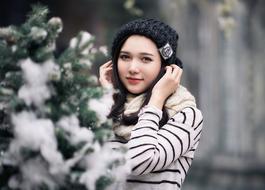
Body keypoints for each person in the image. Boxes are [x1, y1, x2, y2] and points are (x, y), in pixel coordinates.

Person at [99, 18, 203, 190]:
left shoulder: (184, 114)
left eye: (145, 59)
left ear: (166, 67)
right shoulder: (105, 106)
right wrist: (105, 98)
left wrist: (156, 100)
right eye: (125, 57)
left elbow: (138, 162)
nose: (132, 67)